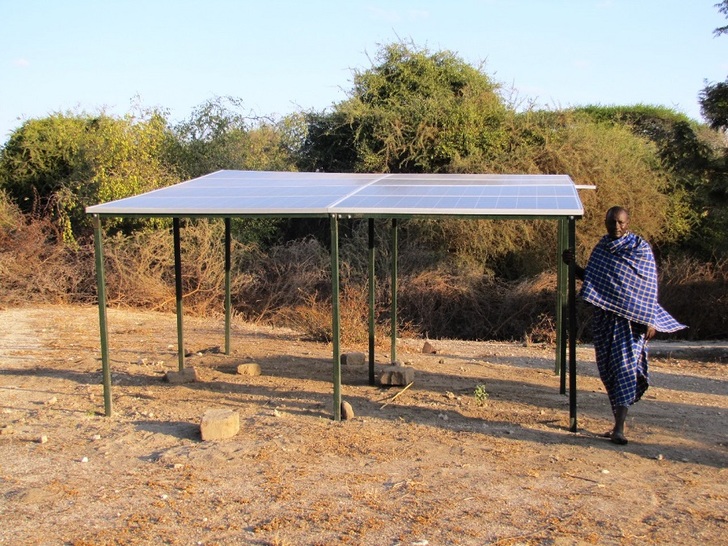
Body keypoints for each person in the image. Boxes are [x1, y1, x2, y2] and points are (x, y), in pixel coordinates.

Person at [563, 206, 686, 445]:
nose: (616, 227)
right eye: (611, 223)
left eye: (620, 223)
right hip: (606, 320)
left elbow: (649, 287)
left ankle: (619, 428)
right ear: (605, 222)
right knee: (607, 369)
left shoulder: (639, 250)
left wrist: (650, 318)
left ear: (628, 222)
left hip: (631, 324)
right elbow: (595, 280)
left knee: (624, 369)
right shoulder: (602, 249)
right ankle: (616, 424)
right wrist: (573, 266)